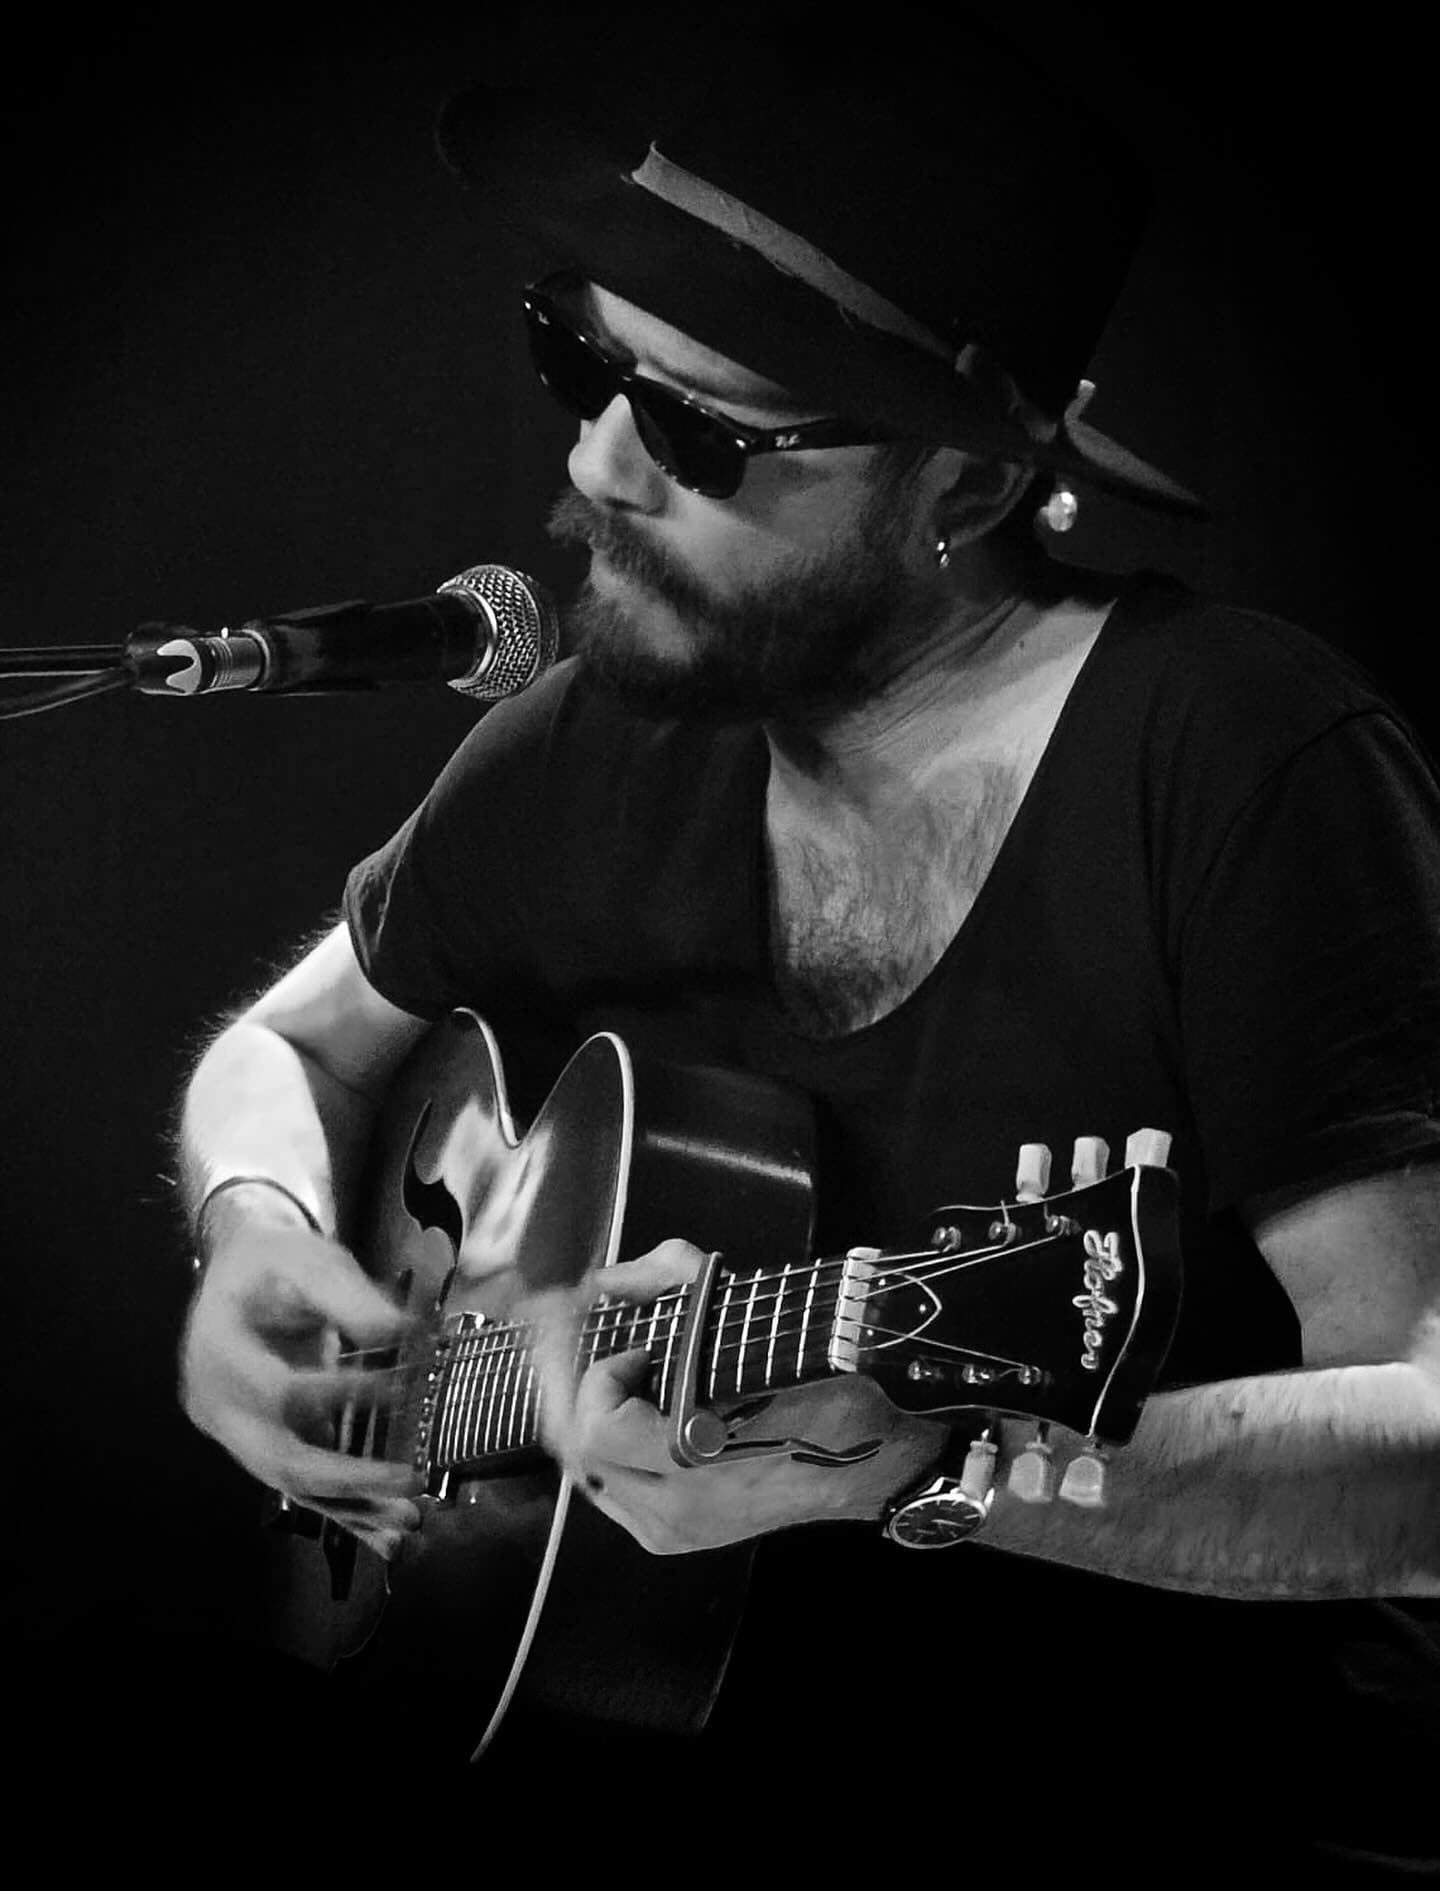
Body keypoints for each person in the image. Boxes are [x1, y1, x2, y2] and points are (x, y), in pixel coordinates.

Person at [176, 29, 1439, 1878]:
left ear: (967, 490)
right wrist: (255, 1246)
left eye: (701, 425)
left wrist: (934, 1474)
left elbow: (1423, 1454)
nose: (600, 460)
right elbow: (287, 1053)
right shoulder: (605, 734)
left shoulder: (1241, 765)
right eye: (583, 359)